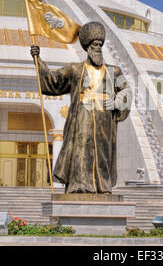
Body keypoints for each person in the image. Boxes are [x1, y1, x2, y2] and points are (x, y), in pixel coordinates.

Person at [30, 21, 132, 193]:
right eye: (94, 44)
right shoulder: (75, 69)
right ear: (87, 47)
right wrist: (38, 60)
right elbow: (52, 81)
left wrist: (116, 102)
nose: (98, 48)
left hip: (104, 124)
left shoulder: (114, 72)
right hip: (81, 122)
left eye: (100, 44)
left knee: (101, 155)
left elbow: (126, 91)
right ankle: (79, 186)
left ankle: (102, 186)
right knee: (81, 152)